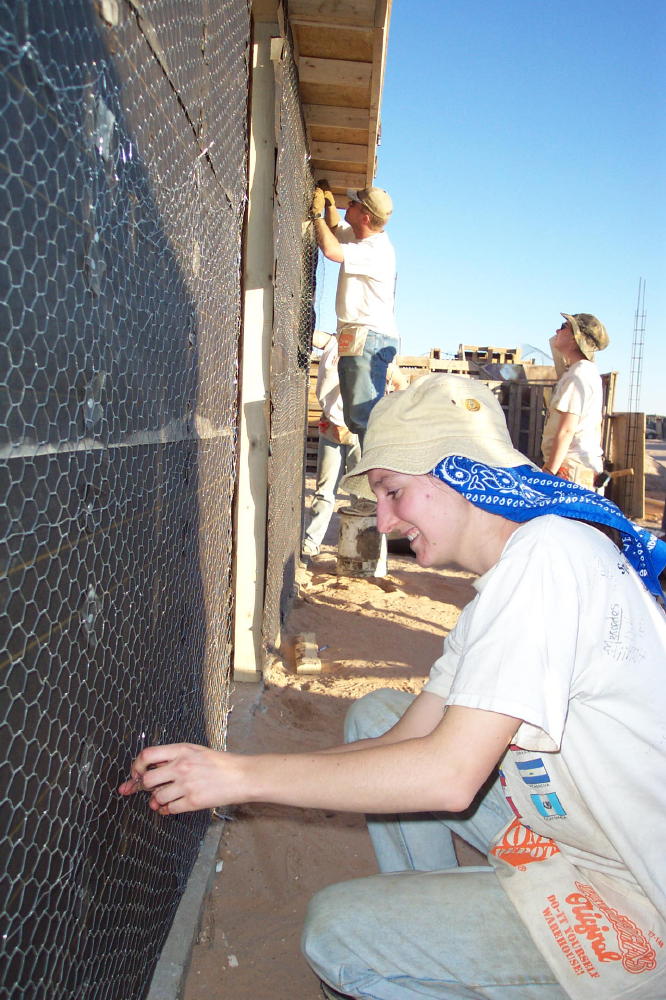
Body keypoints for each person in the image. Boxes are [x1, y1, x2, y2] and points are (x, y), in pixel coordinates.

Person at [119, 375, 666, 1000]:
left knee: (341, 935)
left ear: (458, 473)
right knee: (380, 716)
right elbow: (407, 739)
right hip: (585, 835)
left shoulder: (548, 561)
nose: (382, 520)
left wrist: (239, 780)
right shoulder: (528, 566)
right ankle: (441, 925)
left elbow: (447, 775)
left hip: (640, 897)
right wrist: (232, 769)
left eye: (394, 492)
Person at [310, 180, 398, 447]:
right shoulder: (362, 237)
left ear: (366, 216)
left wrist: (315, 217)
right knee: (356, 418)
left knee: (363, 419)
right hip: (360, 336)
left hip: (369, 339)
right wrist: (327, 207)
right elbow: (336, 231)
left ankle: (380, 484)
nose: (348, 204)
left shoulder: (376, 251)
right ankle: (378, 482)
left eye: (354, 203)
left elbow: (331, 250)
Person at [303, 331, 361, 558]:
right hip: (331, 429)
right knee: (324, 492)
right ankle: (311, 543)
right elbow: (309, 333)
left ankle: (359, 550)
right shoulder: (333, 343)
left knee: (360, 494)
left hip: (358, 431)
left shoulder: (372, 345)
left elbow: (397, 381)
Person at [541, 312, 609, 487]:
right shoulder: (581, 371)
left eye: (564, 327)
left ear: (575, 338)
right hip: (575, 470)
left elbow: (566, 431)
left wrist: (548, 473)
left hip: (571, 472)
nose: (557, 330)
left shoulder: (578, 374)